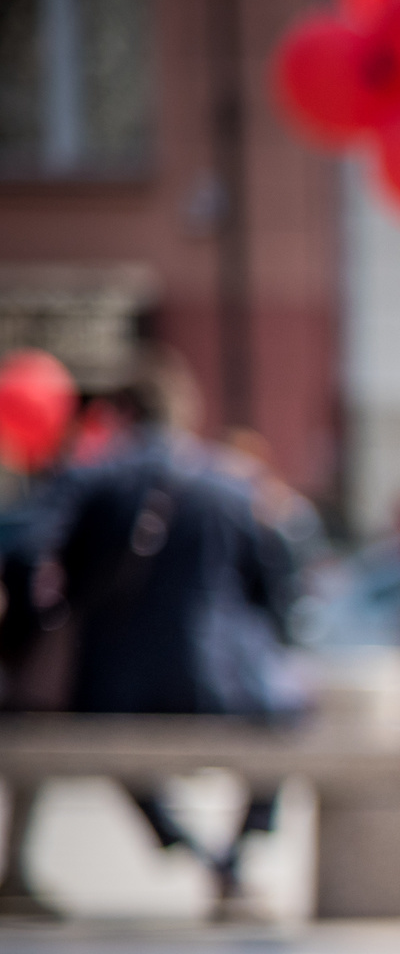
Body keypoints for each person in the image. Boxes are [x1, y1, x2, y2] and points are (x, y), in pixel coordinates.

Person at [49, 352, 305, 918]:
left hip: (114, 692)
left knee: (91, 737)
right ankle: (234, 857)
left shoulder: (93, 478)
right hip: (224, 683)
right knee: (289, 716)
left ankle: (185, 843)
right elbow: (276, 586)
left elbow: (32, 557)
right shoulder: (232, 486)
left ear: (120, 414)